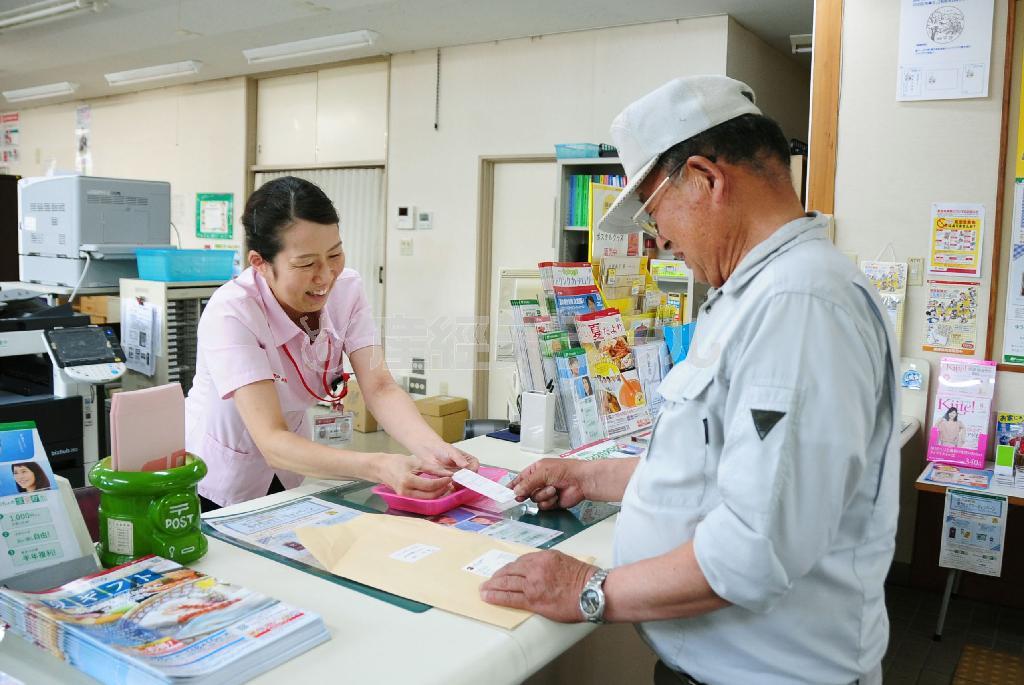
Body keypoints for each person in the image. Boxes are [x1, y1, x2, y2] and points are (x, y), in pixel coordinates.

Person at [481, 76, 898, 685]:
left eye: (653, 211)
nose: (659, 238)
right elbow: (718, 470)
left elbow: (753, 549)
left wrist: (591, 589)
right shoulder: (748, 295)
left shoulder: (800, 305)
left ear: (706, 179)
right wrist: (589, 475)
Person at [186, 176, 477, 510]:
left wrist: (433, 448)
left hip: (292, 466)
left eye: (334, 254)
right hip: (220, 478)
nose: (325, 277)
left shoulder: (347, 289)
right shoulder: (232, 313)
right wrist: (379, 465)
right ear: (260, 264)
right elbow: (270, 439)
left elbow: (379, 386)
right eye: (306, 263)